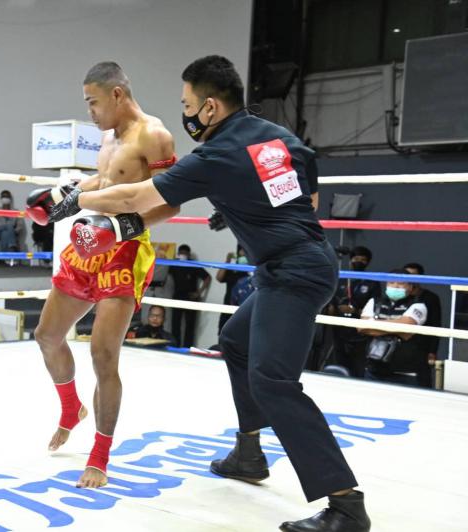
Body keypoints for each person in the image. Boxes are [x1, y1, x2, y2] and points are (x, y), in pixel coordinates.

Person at [48, 55, 369, 531]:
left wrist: (78, 198)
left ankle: (345, 504)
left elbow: (137, 197)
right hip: (301, 261)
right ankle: (248, 452)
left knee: (273, 381)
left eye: (187, 105)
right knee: (236, 341)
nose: (185, 114)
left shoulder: (216, 154)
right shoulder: (279, 137)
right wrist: (241, 203)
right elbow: (306, 199)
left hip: (294, 274)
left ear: (211, 107)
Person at [26, 61, 179, 489]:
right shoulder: (110, 136)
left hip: (125, 250)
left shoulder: (155, 135)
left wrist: (122, 227)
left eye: (92, 102)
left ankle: (99, 455)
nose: (90, 113)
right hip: (89, 241)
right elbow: (109, 179)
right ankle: (71, 407)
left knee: (103, 354)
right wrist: (65, 197)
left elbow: (170, 202)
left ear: (116, 94)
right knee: (47, 335)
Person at [359, 269, 432, 387]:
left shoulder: (418, 305)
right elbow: (362, 327)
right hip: (373, 370)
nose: (395, 286)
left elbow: (405, 328)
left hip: (405, 373)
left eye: (401, 283)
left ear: (410, 287)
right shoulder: (374, 301)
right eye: (391, 282)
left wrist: (374, 324)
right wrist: (396, 328)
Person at [327, 246, 381, 377]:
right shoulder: (341, 277)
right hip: (339, 328)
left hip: (360, 332)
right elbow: (331, 300)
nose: (359, 262)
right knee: (338, 364)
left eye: (363, 260)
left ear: (368, 262)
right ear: (350, 260)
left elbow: (376, 307)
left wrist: (355, 310)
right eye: (356, 258)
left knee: (358, 367)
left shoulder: (372, 282)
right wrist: (332, 308)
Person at [168, 243, 210, 347]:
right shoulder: (174, 264)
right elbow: (166, 276)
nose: (183, 255)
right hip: (177, 297)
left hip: (191, 297)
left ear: (189, 254)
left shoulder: (193, 264)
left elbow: (207, 277)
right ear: (178, 253)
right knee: (175, 324)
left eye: (185, 253)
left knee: (190, 326)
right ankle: (175, 347)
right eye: (181, 253)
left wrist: (198, 292)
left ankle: (187, 348)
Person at [403, 262, 442, 363]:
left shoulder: (430, 298)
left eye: (413, 276)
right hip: (399, 346)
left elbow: (435, 324)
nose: (410, 279)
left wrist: (432, 351)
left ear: (420, 278)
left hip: (421, 346)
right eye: (407, 275)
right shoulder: (397, 296)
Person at [216, 244, 249, 334]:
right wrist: (227, 260)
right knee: (223, 335)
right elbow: (219, 278)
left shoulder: (251, 270)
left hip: (244, 309)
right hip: (228, 307)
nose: (243, 254)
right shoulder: (232, 269)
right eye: (241, 252)